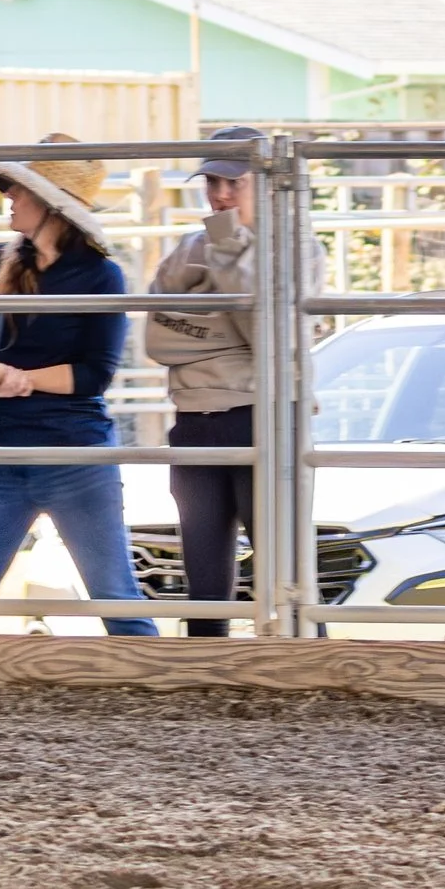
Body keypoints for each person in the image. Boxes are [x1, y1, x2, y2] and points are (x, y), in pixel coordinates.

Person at [0, 135, 157, 636]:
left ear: (51, 205)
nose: (9, 197)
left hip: (74, 457)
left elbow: (94, 374)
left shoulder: (102, 277)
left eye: (20, 189)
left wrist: (21, 379)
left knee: (118, 602)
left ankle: (155, 700)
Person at [148, 124, 311, 635]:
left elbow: (268, 336)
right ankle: (206, 687)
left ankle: (311, 673)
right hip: (194, 419)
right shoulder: (186, 247)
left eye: (233, 183)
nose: (220, 194)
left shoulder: (297, 249)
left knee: (285, 571)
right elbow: (157, 337)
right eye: (211, 182)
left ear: (263, 183)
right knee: (204, 579)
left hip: (260, 419)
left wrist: (227, 254)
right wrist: (231, 329)